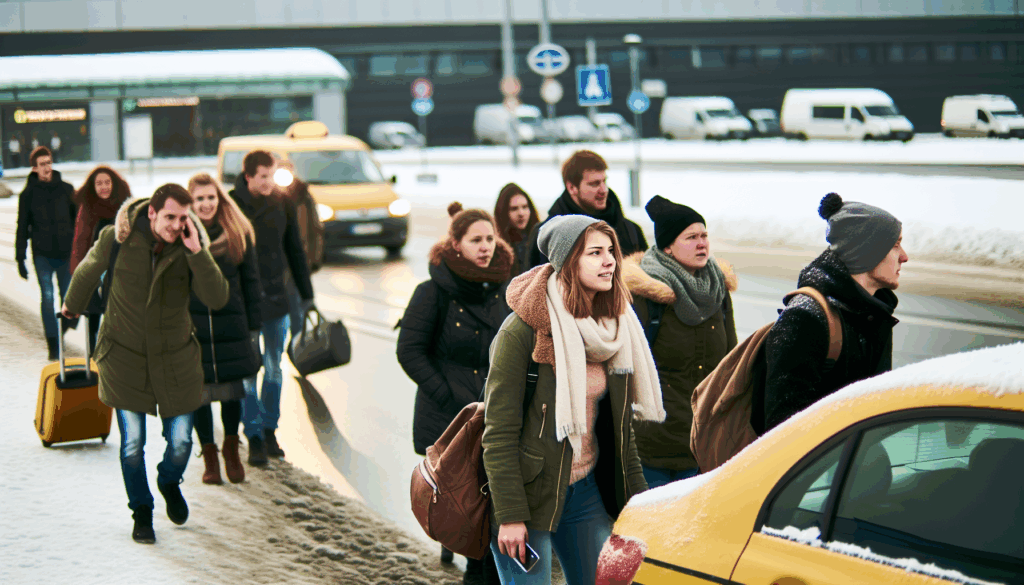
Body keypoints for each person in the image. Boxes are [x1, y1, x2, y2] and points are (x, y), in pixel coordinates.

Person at [482, 215, 665, 585]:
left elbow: (619, 428)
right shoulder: (523, 331)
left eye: (610, 250)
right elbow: (498, 433)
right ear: (568, 262)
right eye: (595, 252)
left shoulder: (615, 326)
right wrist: (510, 514)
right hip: (529, 495)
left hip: (586, 492)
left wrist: (639, 500)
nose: (609, 260)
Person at [61, 184, 229, 545]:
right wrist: (71, 306)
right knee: (132, 443)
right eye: (170, 217)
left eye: (183, 218)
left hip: (175, 358)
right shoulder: (117, 238)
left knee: (182, 441)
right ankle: (142, 512)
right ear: (152, 214)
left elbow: (217, 297)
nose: (177, 225)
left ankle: (169, 481)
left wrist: (199, 253)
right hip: (125, 356)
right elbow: (89, 270)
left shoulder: (190, 246)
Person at [396, 202, 513, 583]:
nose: (485, 247)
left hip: (493, 414)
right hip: (449, 414)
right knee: (463, 502)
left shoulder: (505, 290)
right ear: (456, 244)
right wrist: (447, 395)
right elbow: (409, 350)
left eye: (490, 239)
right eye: (475, 240)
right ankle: (461, 552)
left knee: (486, 509)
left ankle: (474, 564)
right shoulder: (433, 291)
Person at [756, 192, 908, 433]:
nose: (904, 257)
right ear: (868, 251)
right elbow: (782, 432)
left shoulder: (876, 314)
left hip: (861, 462)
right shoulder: (805, 319)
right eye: (895, 245)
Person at [623, 196, 738, 488]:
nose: (702, 243)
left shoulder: (718, 292)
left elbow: (730, 364)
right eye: (690, 237)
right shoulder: (644, 298)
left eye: (704, 235)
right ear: (667, 247)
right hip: (653, 445)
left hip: (705, 443)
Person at [229, 149, 315, 465]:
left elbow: (295, 250)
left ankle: (269, 430)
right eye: (262, 176)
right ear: (248, 176)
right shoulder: (232, 205)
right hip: (244, 303)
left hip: (277, 299)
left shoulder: (283, 203)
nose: (268, 182)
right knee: (250, 372)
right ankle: (251, 435)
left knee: (275, 368)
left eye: (271, 175)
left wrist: (306, 295)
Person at [187, 173, 263, 485]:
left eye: (210, 198)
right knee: (199, 395)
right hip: (194, 327)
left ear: (219, 199)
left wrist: (254, 327)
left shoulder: (237, 232)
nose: (206, 204)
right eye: (199, 199)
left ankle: (231, 448)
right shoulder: (182, 234)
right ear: (190, 203)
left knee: (233, 392)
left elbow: (251, 283)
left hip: (232, 324)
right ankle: (210, 457)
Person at [522, 150, 648, 270]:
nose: (603, 190)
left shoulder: (631, 231)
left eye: (604, 181)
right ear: (572, 188)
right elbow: (532, 288)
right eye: (594, 184)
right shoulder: (546, 236)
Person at [15, 146, 77, 360]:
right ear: (35, 168)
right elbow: (22, 226)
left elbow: (78, 222)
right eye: (42, 164)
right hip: (42, 255)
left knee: (69, 300)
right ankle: (53, 345)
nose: (47, 167)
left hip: (66, 253)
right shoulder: (28, 195)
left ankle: (61, 331)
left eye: (49, 162)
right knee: (48, 298)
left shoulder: (67, 190)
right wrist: (20, 258)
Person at [69, 166, 132, 351]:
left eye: (107, 182)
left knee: (118, 316)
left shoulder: (126, 206)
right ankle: (92, 356)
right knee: (93, 316)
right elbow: (81, 241)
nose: (103, 187)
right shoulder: (87, 208)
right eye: (99, 183)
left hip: (121, 270)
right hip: (95, 270)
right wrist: (79, 273)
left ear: (114, 184)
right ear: (93, 186)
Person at [276, 160, 325, 339]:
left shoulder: (303, 196)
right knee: (284, 311)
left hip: (299, 263)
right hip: (277, 266)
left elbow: (315, 228)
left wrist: (314, 259)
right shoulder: (272, 197)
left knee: (299, 309)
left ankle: (299, 347)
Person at [493, 182, 540, 279]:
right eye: (514, 209)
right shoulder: (496, 248)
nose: (521, 213)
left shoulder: (540, 239)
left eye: (525, 207)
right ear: (503, 212)